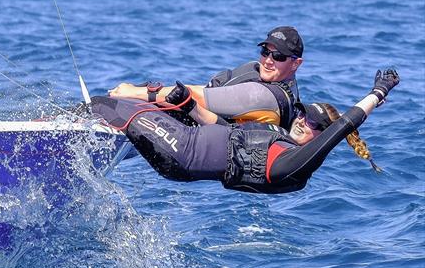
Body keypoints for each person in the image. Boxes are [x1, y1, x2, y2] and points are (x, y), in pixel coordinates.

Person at [92, 69, 399, 194]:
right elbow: (225, 131)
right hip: (185, 142)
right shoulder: (274, 136)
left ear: (322, 138)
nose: (303, 120)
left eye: (315, 125)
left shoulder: (295, 164)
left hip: (183, 152)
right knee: (125, 109)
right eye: (304, 113)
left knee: (111, 105)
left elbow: (347, 122)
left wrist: (378, 92)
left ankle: (50, 129)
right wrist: (189, 107)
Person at [109, 26, 304, 130]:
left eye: (278, 56)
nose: (268, 60)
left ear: (296, 64)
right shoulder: (276, 82)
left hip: (214, 140)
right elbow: (216, 93)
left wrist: (133, 92)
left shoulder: (264, 95)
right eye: (265, 52)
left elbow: (192, 95)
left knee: (129, 99)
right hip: (224, 125)